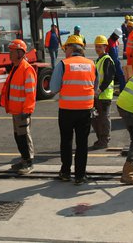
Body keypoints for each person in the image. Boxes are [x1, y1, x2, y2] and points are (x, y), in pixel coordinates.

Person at [49, 35, 96, 185]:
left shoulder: (63, 64)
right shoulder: (91, 64)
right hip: (85, 110)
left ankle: (65, 172)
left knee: (66, 141)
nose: (64, 52)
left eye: (65, 48)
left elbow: (54, 88)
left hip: (67, 110)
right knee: (82, 143)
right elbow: (95, 86)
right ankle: (80, 175)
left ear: (70, 48)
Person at [1, 39, 37, 175]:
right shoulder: (16, 67)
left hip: (22, 111)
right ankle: (24, 160)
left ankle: (29, 162)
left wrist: (27, 110)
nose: (9, 54)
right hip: (16, 110)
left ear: (20, 53)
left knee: (24, 136)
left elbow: (30, 93)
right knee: (18, 136)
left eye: (12, 51)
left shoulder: (27, 69)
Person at [91, 35, 115, 149]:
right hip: (98, 95)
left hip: (104, 95)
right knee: (97, 118)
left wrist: (100, 90)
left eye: (99, 47)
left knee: (104, 118)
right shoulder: (99, 60)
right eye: (96, 47)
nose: (97, 49)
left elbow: (109, 77)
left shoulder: (107, 60)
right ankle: (100, 139)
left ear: (105, 47)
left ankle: (104, 140)